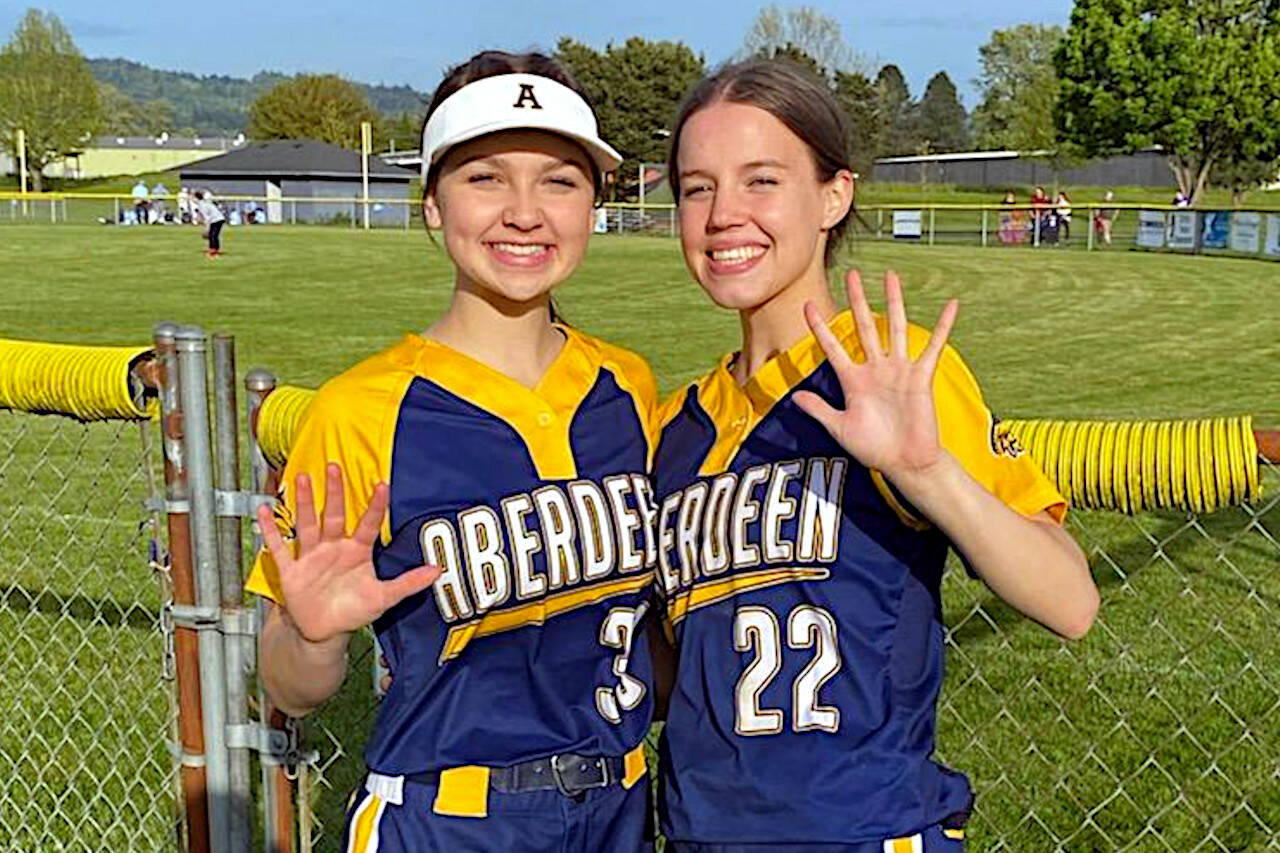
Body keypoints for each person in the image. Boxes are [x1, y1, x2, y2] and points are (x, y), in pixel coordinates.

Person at [653, 58, 1099, 851]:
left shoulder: (893, 373)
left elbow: (1070, 599)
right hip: (698, 832)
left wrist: (926, 472)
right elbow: (676, 666)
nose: (724, 214)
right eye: (697, 186)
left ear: (834, 195)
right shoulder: (677, 426)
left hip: (862, 828)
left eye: (762, 181)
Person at [247, 50, 657, 852]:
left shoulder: (631, 387)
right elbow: (287, 687)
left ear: (594, 205)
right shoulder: (360, 409)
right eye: (485, 178)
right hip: (445, 818)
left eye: (559, 180)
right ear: (432, 204)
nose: (524, 212)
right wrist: (315, 634)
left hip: (622, 809)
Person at [192, 190, 225, 258]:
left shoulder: (202, 205)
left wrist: (206, 229)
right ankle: (215, 249)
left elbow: (207, 218)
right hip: (217, 219)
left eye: (193, 197)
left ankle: (213, 251)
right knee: (213, 235)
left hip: (217, 219)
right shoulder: (202, 204)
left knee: (213, 235)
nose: (192, 199)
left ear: (197, 198)